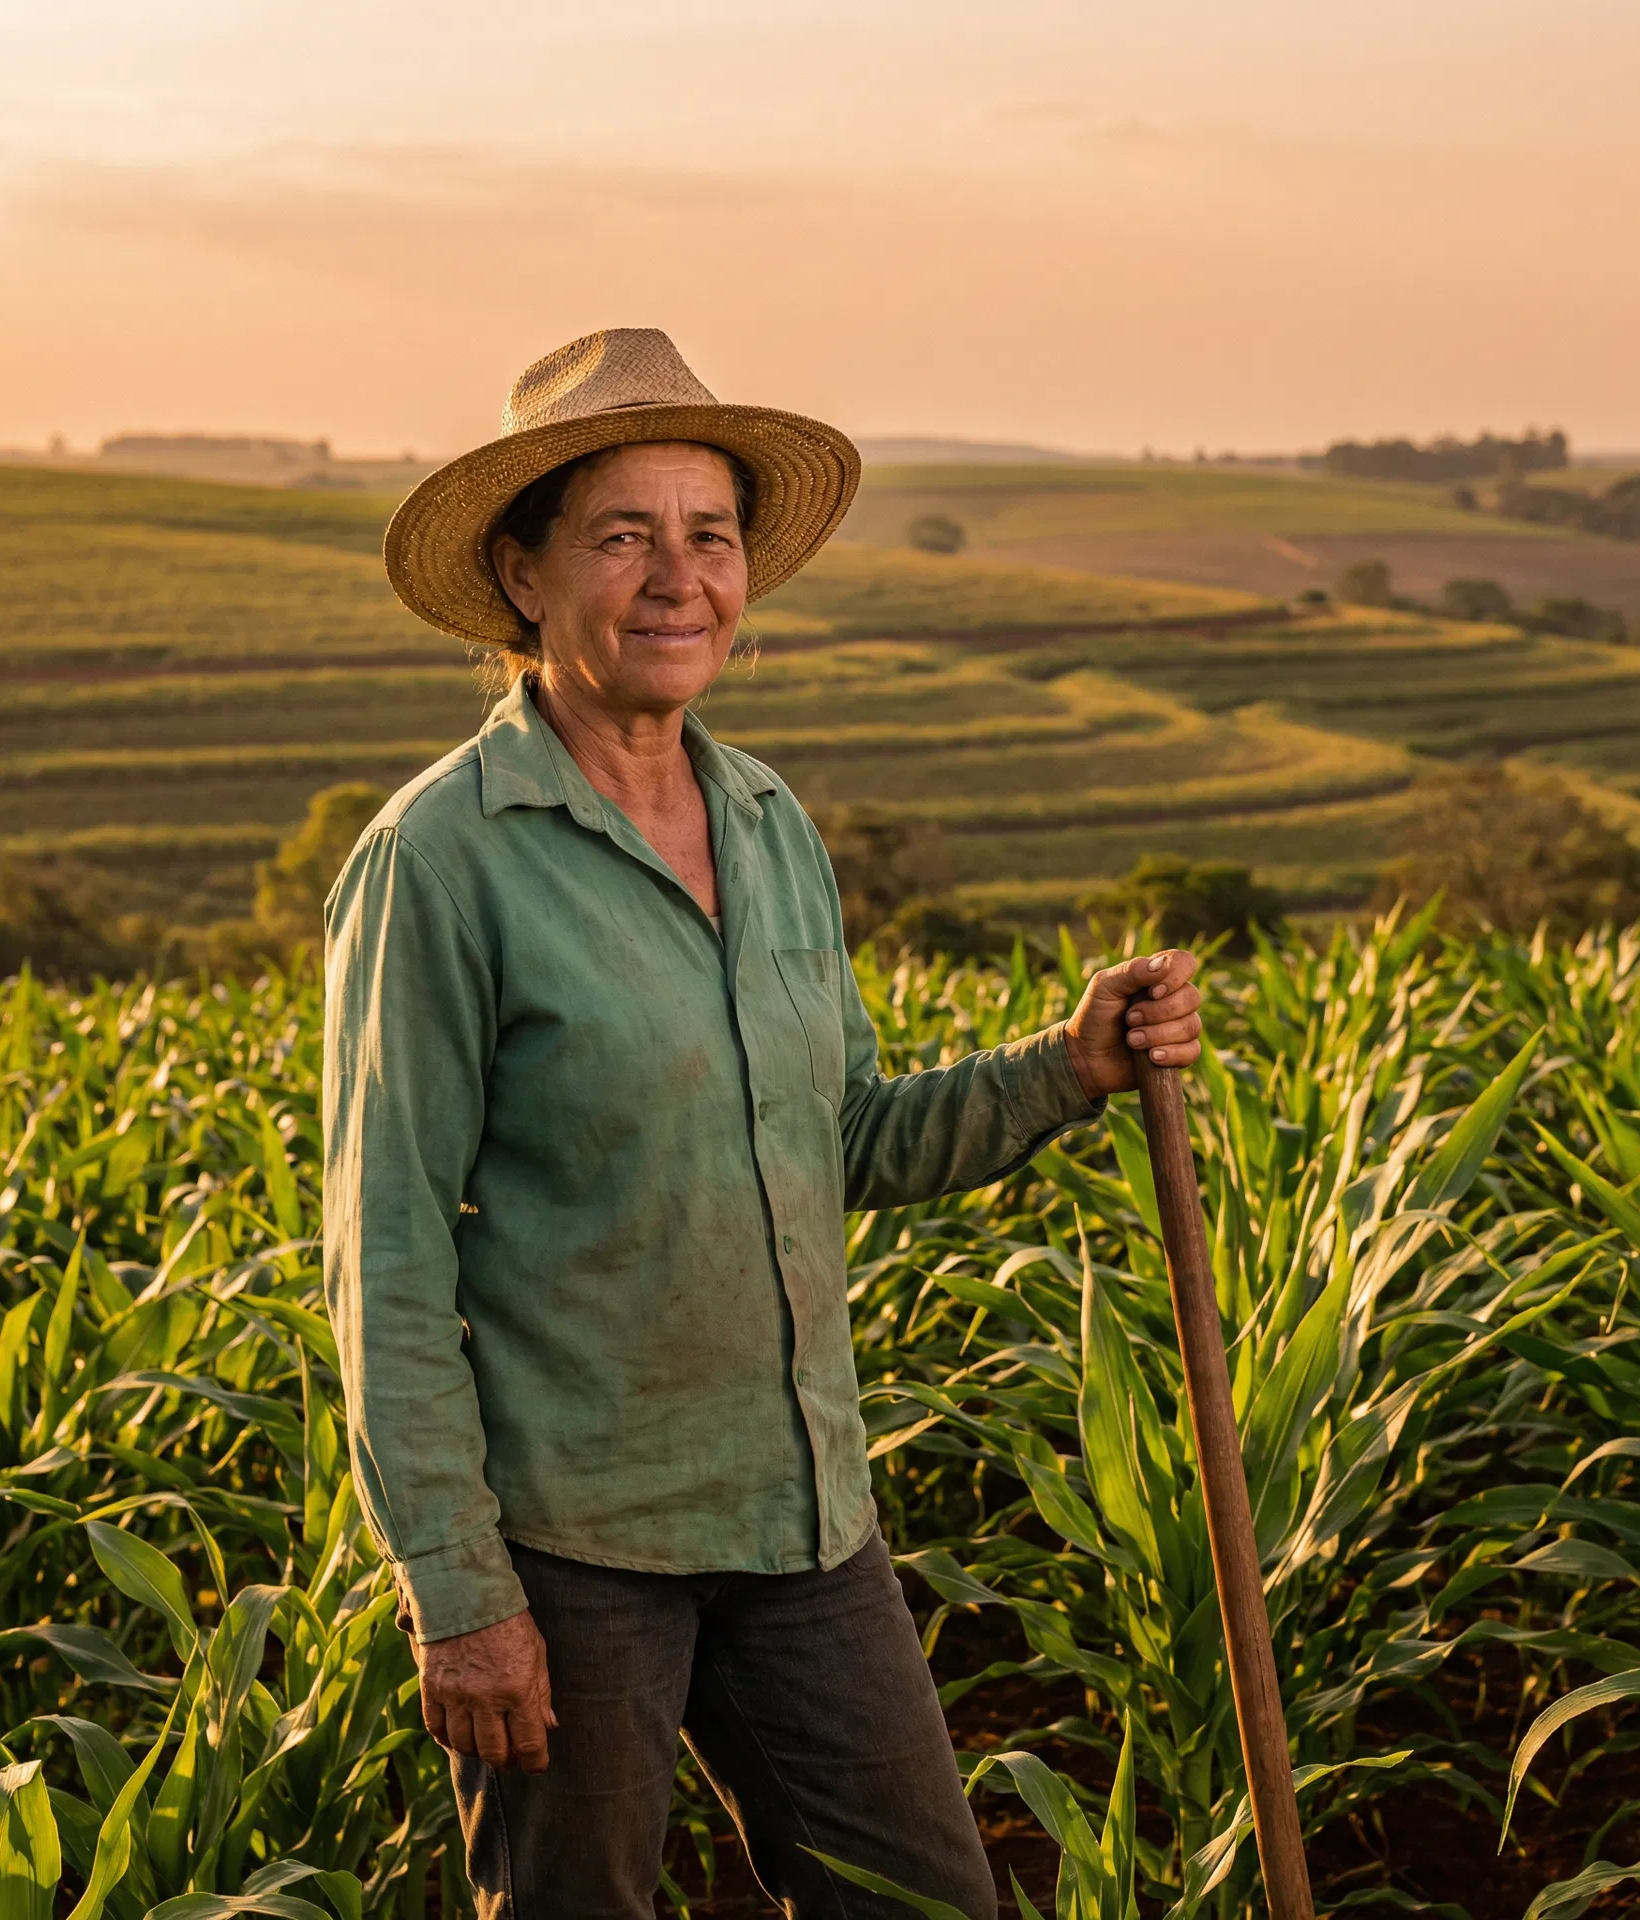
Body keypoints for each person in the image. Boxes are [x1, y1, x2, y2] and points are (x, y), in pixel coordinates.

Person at [323, 328, 1203, 1920]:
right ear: (523, 574)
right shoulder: (442, 859)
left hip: (802, 1518)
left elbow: (843, 1137)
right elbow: (386, 1257)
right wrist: (458, 1591)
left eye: (711, 536)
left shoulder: (769, 821)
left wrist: (1065, 1068)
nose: (680, 580)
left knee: (923, 1896)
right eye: (624, 536)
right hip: (572, 1549)